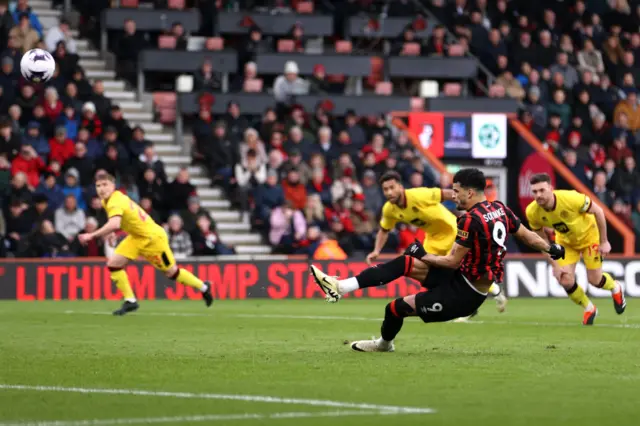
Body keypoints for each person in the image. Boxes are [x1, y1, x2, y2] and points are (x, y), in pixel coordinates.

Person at [310, 168, 565, 352]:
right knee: (404, 262)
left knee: (394, 308)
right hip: (462, 277)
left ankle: (384, 345)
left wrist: (423, 254)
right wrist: (551, 247)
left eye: (456, 191)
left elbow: (453, 261)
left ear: (469, 191)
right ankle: (341, 287)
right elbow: (528, 236)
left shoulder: (468, 219)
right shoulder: (500, 208)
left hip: (464, 294)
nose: (454, 196)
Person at [362, 171, 506, 315]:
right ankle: (463, 302)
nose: (389, 192)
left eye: (392, 187)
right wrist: (376, 250)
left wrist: (472, 209)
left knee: (456, 267)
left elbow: (449, 194)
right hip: (433, 237)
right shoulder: (389, 209)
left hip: (451, 231)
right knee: (426, 269)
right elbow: (384, 230)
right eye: (385, 189)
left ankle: (494, 291)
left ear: (400, 186)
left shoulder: (419, 195)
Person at [78, 172, 213, 315]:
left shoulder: (114, 201)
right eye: (98, 186)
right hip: (137, 237)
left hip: (153, 239)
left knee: (172, 272)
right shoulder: (109, 200)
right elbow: (119, 220)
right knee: (113, 264)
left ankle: (204, 287)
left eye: (105, 185)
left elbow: (115, 222)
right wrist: (111, 232)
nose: (101, 189)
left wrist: (91, 235)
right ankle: (130, 301)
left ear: (113, 186)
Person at [526, 173, 626, 325]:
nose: (538, 195)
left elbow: (598, 211)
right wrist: (555, 265)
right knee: (565, 279)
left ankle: (615, 287)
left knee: (595, 280)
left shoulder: (571, 198)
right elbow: (541, 241)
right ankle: (589, 307)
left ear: (550, 189)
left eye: (542, 190)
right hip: (566, 243)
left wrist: (604, 241)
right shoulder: (532, 212)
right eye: (534, 192)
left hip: (589, 237)